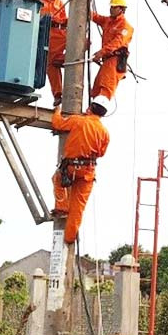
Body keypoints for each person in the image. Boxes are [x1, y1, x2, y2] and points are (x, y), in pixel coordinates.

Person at [51, 95, 111, 243]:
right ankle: (70, 237)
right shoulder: (104, 132)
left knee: (57, 179)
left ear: (90, 107)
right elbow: (101, 153)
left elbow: (58, 124)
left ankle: (62, 207)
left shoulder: (78, 120)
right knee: (78, 207)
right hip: (88, 172)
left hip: (71, 167)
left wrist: (57, 111)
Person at [91, 0, 134, 101]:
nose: (111, 9)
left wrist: (101, 52)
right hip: (107, 60)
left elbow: (117, 42)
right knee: (96, 89)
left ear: (122, 9)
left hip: (115, 61)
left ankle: (95, 114)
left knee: (105, 88)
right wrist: (84, 6)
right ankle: (92, 112)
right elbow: (96, 17)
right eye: (111, 7)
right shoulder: (108, 21)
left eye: (114, 7)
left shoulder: (125, 26)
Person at [36, 0, 68, 107]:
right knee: (51, 63)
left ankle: (63, 59)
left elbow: (64, 18)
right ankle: (58, 93)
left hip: (61, 33)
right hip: (48, 34)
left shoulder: (59, 2)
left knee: (83, 42)